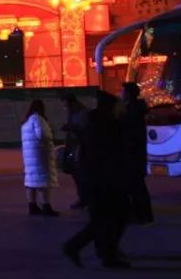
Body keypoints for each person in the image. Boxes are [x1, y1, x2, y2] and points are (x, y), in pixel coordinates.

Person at [63, 91, 130, 269]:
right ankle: (80, 248)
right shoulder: (109, 124)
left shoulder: (91, 123)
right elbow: (113, 154)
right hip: (105, 181)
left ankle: (104, 253)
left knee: (103, 220)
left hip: (93, 180)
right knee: (113, 218)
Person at [120, 82, 154, 225]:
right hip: (135, 154)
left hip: (133, 155)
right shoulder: (134, 109)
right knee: (135, 186)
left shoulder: (132, 111)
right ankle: (140, 214)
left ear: (128, 94)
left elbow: (130, 133)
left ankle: (144, 216)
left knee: (137, 187)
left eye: (123, 92)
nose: (121, 94)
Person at [21, 99, 59, 216]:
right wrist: (50, 139)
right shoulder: (38, 119)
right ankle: (46, 206)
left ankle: (32, 206)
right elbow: (42, 134)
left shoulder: (26, 121)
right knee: (43, 181)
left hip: (29, 155)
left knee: (31, 181)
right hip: (40, 154)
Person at [60, 95, 87, 208]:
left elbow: (84, 131)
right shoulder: (73, 113)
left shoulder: (82, 114)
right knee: (77, 175)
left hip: (80, 148)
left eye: (66, 105)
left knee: (82, 175)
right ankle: (82, 198)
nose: (66, 108)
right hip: (73, 146)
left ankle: (86, 199)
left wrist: (70, 128)